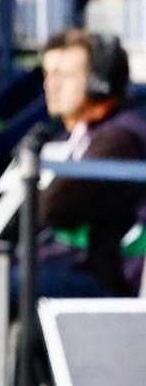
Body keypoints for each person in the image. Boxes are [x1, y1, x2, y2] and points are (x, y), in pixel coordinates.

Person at [30, 30, 146, 298]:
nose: (51, 85)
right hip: (72, 263)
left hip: (106, 278)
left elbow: (53, 209)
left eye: (65, 75)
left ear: (99, 82)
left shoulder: (119, 140)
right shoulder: (75, 134)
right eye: (48, 75)